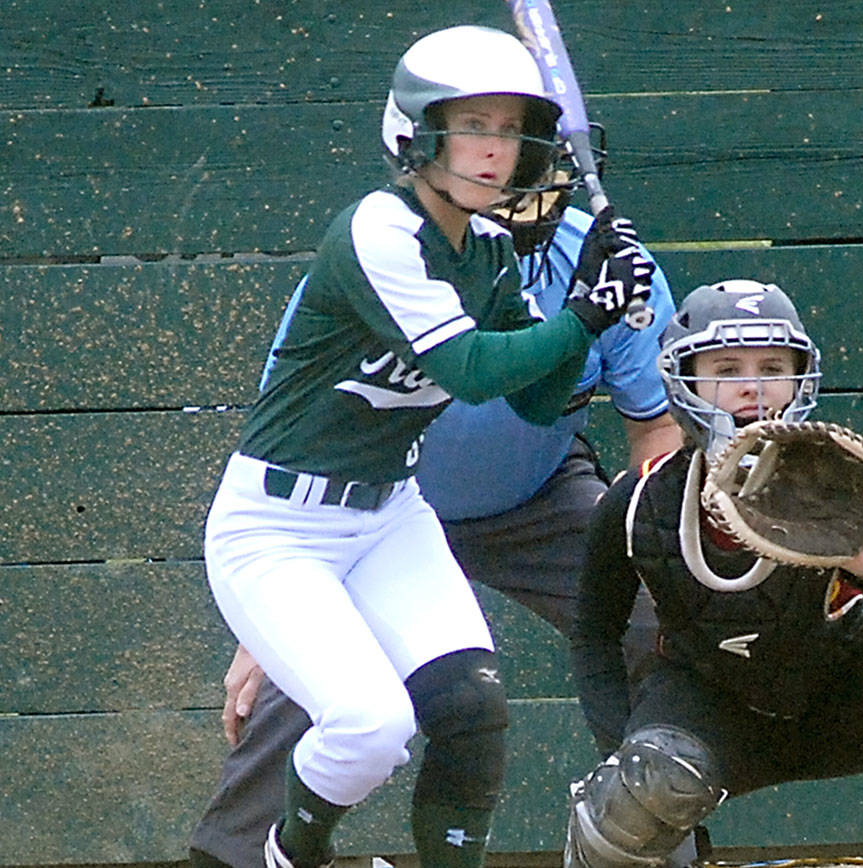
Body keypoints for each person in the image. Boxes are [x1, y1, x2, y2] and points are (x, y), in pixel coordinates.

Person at [200, 24, 657, 868]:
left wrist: (594, 292)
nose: (496, 150)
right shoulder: (379, 228)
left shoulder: (488, 247)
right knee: (370, 728)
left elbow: (536, 396)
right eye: (472, 126)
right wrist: (583, 316)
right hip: (278, 527)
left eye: (511, 130)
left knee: (470, 707)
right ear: (415, 135)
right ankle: (284, 856)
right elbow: (473, 370)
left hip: (391, 515)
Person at [563, 279, 863, 868]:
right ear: (683, 380)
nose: (752, 386)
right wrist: (620, 753)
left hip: (837, 692)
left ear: (801, 378)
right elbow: (594, 632)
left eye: (772, 366)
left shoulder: (840, 479)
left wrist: (846, 549)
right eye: (727, 368)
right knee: (644, 781)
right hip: (709, 709)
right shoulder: (640, 500)